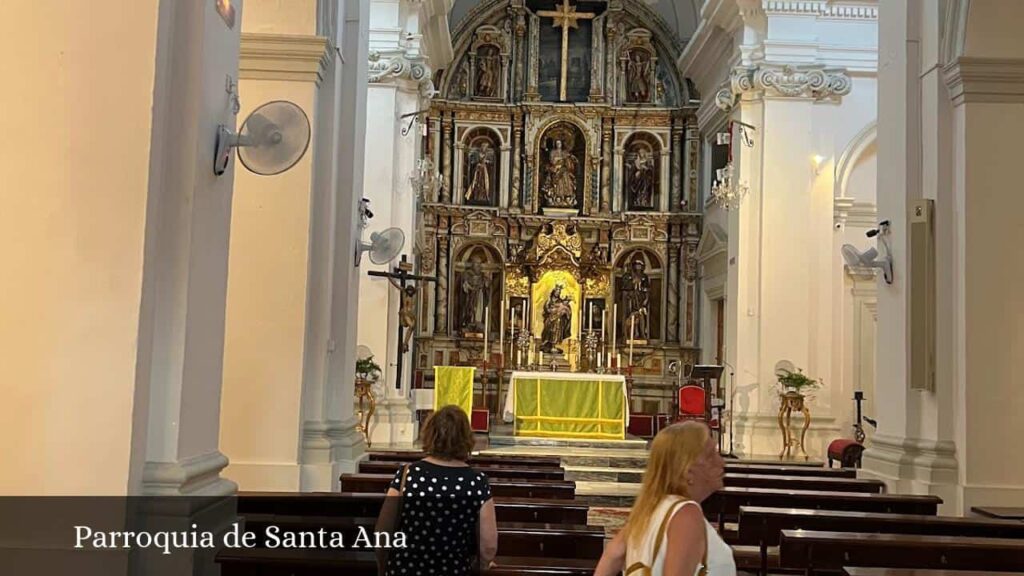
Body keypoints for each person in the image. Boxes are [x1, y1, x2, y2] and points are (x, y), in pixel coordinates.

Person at [594, 421, 735, 576]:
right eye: (710, 456)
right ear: (687, 471)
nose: (721, 462)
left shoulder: (651, 508)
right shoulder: (686, 514)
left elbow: (612, 555)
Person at [375, 405, 498, 575]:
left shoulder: (407, 474)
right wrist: (483, 566)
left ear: (430, 434)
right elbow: (488, 546)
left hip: (405, 570)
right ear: (466, 438)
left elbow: (383, 533)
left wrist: (382, 567)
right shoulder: (476, 481)